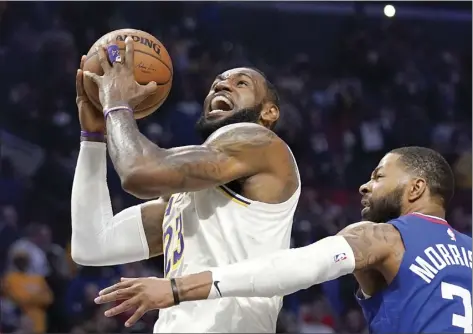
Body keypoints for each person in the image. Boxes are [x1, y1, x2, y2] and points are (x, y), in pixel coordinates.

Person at [95, 147, 472, 333]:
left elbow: (301, 266)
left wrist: (177, 288)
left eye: (378, 176)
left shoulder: (385, 236)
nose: (365, 184)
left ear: (416, 187)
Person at [70, 37, 300, 333]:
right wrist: (92, 137)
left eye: (241, 83)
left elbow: (139, 173)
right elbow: (92, 245)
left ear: (269, 112)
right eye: (217, 82)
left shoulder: (261, 143)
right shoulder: (189, 199)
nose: (222, 85)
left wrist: (116, 103)